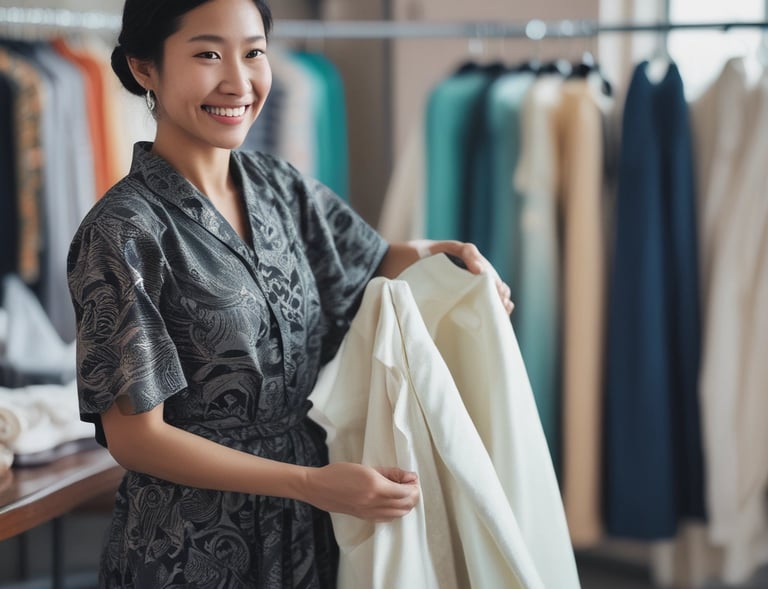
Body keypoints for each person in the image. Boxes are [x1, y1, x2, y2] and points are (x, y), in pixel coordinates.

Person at [66, 0, 514, 587]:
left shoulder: (279, 186)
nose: (238, 80)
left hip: (310, 526)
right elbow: (137, 439)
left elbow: (371, 262)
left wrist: (447, 257)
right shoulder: (123, 230)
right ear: (144, 67)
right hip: (187, 545)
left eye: (253, 52)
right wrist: (308, 483)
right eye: (207, 54)